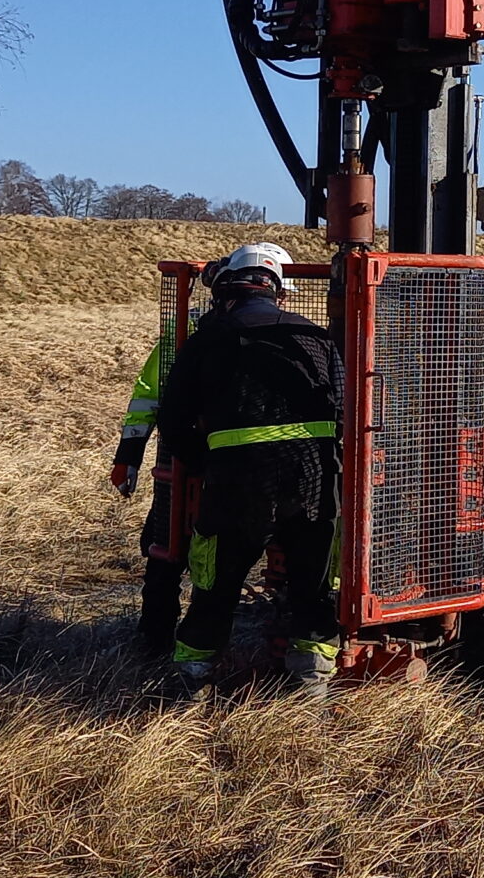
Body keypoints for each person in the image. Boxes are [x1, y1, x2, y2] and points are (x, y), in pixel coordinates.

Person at [154, 243, 342, 699]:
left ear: (225, 290)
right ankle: (310, 684)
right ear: (278, 292)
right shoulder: (318, 339)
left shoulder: (205, 341)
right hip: (314, 483)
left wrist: (203, 462)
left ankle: (192, 681)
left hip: (236, 485)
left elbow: (173, 419)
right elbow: (349, 408)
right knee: (313, 586)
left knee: (215, 585)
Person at [109, 258, 221, 654]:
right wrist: (129, 455)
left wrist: (130, 455)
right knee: (171, 543)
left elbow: (145, 400)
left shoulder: (183, 331)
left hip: (185, 457)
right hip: (213, 462)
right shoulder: (187, 332)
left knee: (169, 543)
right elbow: (147, 398)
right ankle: (163, 638)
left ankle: (160, 639)